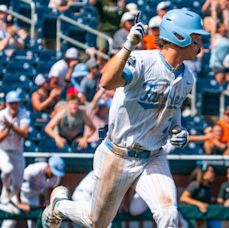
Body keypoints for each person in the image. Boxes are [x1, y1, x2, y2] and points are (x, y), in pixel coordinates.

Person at [41, 9, 209, 228]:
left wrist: (179, 130)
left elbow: (172, 111)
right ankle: (60, 206)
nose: (200, 45)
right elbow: (107, 82)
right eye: (196, 38)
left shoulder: (187, 77)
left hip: (152, 156)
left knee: (169, 214)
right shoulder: (142, 61)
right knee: (97, 223)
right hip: (118, 154)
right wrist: (128, 44)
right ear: (180, 36)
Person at [1, 156, 65, 228]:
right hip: (18, 194)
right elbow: (17, 184)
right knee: (10, 222)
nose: (54, 174)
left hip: (33, 197)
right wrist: (19, 203)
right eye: (53, 171)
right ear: (48, 166)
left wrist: (48, 203)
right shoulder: (33, 169)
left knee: (34, 223)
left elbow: (51, 189)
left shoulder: (56, 177)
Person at [0, 91, 30, 214]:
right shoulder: (1, 115)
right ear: (7, 103)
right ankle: (5, 194)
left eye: (16, 103)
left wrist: (11, 127)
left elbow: (24, 133)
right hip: (3, 150)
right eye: (11, 103)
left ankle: (6, 199)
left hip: (18, 151)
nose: (13, 106)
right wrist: (8, 128)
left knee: (18, 185)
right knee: (7, 169)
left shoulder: (23, 114)